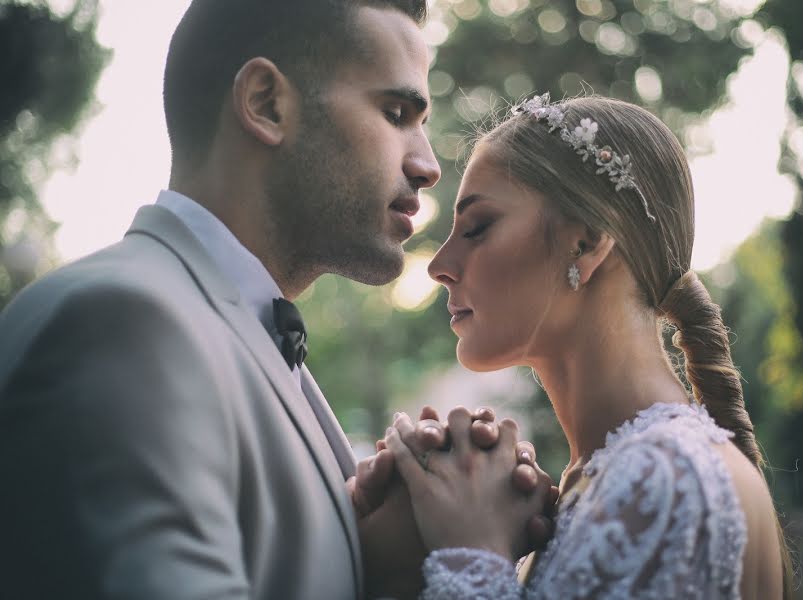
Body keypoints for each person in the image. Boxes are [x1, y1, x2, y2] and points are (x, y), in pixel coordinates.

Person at [0, 1, 552, 598]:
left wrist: (384, 563)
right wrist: (471, 560)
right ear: (265, 103)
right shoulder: (120, 327)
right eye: (396, 113)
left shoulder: (230, 330)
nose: (426, 165)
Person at [385, 94, 794, 599]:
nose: (439, 264)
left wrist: (472, 552)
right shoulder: (609, 475)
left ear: (586, 242)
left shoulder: (664, 479)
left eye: (477, 228)